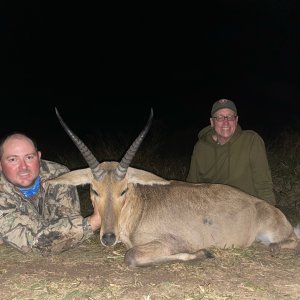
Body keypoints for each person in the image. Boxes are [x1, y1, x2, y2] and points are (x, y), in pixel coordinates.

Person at [0, 132, 101, 254]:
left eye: (29, 157)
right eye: (13, 159)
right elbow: (37, 244)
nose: (23, 167)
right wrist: (95, 221)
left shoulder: (59, 175)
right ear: (0, 164)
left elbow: (68, 222)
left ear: (38, 156)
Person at [186, 99, 276, 205]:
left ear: (236, 119)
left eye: (230, 117)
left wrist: (269, 210)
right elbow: (191, 187)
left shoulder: (252, 140)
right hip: (213, 209)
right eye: (219, 117)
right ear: (212, 122)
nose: (226, 122)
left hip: (246, 208)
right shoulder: (200, 147)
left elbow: (263, 184)